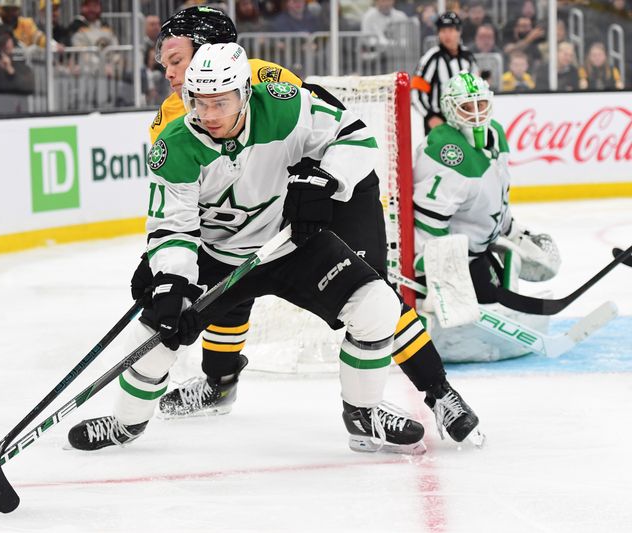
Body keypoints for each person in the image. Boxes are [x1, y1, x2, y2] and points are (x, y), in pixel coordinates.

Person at [90, 6, 482, 447]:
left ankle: (437, 391)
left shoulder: (266, 83)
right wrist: (166, 272)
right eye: (165, 64)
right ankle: (218, 384)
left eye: (176, 60)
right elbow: (190, 207)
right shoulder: (173, 123)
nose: (168, 73)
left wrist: (323, 181)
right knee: (227, 283)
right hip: (259, 217)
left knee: (375, 296)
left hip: (333, 194)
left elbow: (333, 134)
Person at [412, 71, 560, 358]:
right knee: (489, 301)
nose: (477, 114)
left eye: (481, 104)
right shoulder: (445, 150)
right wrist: (434, 271)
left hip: (481, 248)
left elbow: (496, 197)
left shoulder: (496, 136)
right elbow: (429, 220)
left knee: (504, 288)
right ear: (450, 109)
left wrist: (512, 231)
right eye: (467, 107)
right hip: (458, 257)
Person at [411, 11, 479, 133]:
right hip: (439, 121)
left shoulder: (468, 57)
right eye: (443, 31)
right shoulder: (431, 58)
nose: (447, 35)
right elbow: (416, 91)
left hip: (465, 119)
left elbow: (475, 88)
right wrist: (430, 116)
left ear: (459, 32)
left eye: (451, 30)